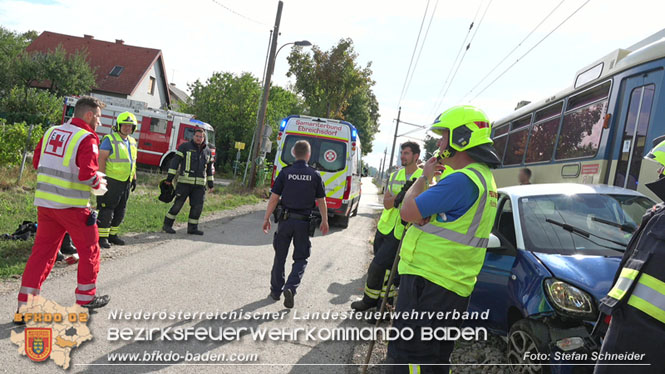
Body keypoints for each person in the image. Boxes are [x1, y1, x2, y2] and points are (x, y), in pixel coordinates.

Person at [387, 105, 500, 373]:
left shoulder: (461, 180)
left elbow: (407, 211)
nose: (439, 143)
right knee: (434, 359)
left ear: (462, 138)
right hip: (451, 286)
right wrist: (423, 210)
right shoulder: (484, 179)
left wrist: (424, 178)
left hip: (429, 283)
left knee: (408, 359)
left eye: (444, 136)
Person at [15, 96, 111, 322]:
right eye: (98, 117)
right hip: (72, 206)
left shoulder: (52, 132)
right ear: (88, 115)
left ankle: (25, 308)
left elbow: (37, 162)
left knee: (41, 254)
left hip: (46, 205)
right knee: (90, 250)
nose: (99, 122)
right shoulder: (88, 137)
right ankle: (86, 297)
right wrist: (99, 184)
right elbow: (86, 174)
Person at [593, 137, 665, 374]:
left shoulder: (659, 219)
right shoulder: (657, 215)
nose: (659, 172)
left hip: (638, 339)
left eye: (663, 169)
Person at [351, 141, 422, 311]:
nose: (402, 156)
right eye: (402, 153)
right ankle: (382, 304)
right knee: (386, 270)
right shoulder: (395, 175)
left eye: (406, 153)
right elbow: (387, 203)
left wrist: (404, 198)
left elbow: (418, 206)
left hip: (402, 231)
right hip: (384, 228)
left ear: (416, 156)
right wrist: (400, 196)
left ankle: (370, 301)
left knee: (378, 266)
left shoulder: (422, 177)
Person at [262, 140, 329, 309]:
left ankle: (276, 291)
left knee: (280, 256)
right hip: (303, 223)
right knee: (301, 258)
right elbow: (321, 201)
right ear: (308, 154)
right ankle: (291, 287)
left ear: (293, 153)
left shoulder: (285, 173)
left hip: (285, 221)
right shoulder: (315, 175)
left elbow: (274, 198)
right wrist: (325, 220)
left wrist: (266, 218)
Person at [96, 112, 138, 248]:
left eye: (130, 125)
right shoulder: (110, 139)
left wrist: (134, 177)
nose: (127, 128)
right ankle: (102, 237)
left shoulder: (132, 141)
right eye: (124, 125)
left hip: (126, 181)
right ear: (118, 125)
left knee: (121, 210)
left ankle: (112, 235)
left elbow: (133, 160)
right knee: (107, 209)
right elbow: (101, 158)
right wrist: (101, 178)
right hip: (112, 180)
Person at [162, 128, 214, 235]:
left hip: (199, 186)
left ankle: (192, 228)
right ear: (193, 136)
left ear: (204, 138)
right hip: (184, 184)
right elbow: (174, 163)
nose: (199, 138)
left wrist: (211, 184)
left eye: (201, 137)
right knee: (178, 205)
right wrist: (169, 179)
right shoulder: (184, 147)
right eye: (197, 136)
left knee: (197, 207)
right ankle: (167, 225)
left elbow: (209, 169)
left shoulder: (207, 151)